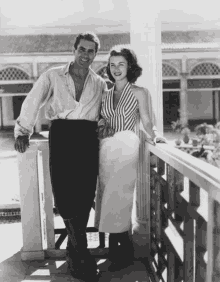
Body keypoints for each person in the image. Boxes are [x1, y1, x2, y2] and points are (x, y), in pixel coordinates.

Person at [14, 32, 107, 282]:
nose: (85, 55)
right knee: (64, 192)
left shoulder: (99, 83)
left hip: (88, 139)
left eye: (91, 51)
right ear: (74, 49)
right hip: (62, 135)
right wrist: (23, 131)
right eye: (82, 49)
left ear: (95, 54)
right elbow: (33, 101)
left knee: (85, 192)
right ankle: (81, 253)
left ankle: (75, 252)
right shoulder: (53, 75)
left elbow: (107, 114)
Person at [94, 45, 166, 272]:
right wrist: (102, 125)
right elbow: (101, 120)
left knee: (121, 198)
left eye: (121, 64)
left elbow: (146, 122)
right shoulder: (105, 93)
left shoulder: (139, 92)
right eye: (112, 64)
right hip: (106, 149)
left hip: (127, 146)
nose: (116, 69)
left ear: (130, 66)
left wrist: (157, 136)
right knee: (108, 197)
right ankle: (119, 251)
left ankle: (121, 253)